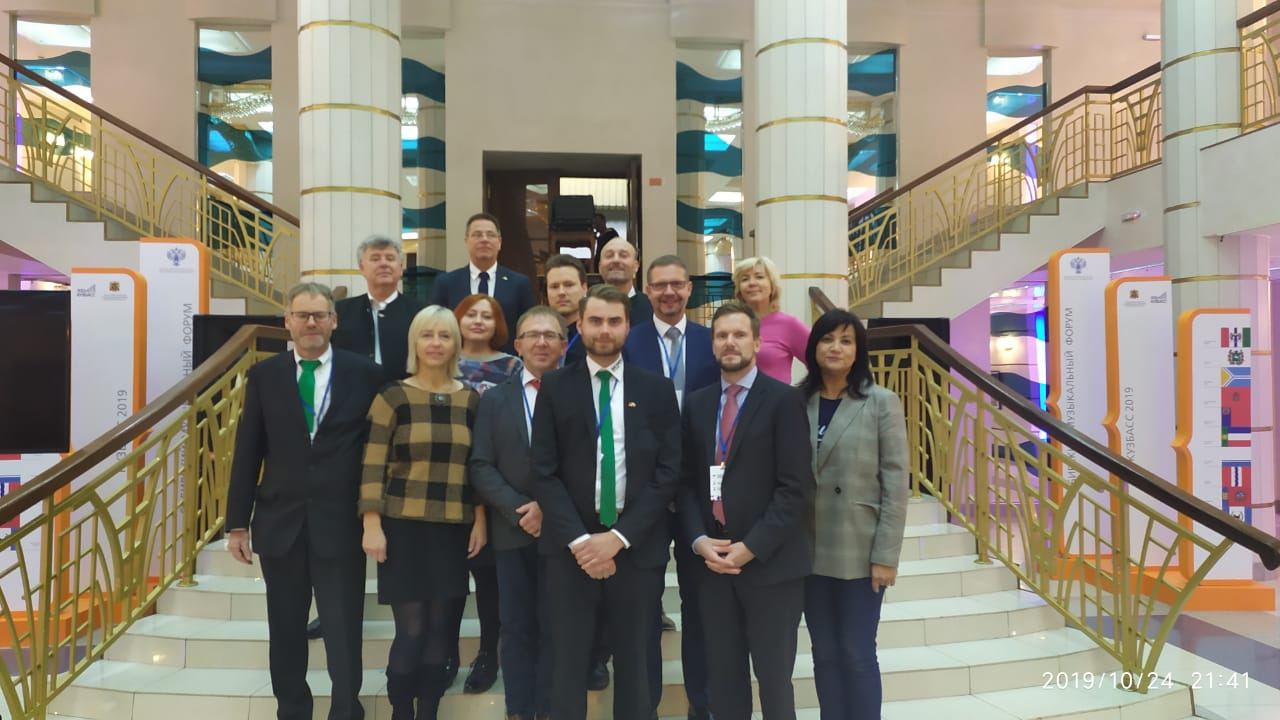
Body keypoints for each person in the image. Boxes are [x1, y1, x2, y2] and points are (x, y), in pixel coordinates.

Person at [225, 282, 385, 720]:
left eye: (319, 315)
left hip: (341, 521)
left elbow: (376, 450)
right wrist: (237, 522)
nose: (311, 322)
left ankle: (346, 710)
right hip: (280, 522)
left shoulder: (366, 374)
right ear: (288, 322)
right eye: (302, 315)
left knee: (343, 628)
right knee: (286, 629)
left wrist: (375, 515)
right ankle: (292, 710)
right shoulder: (265, 375)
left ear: (334, 321)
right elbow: (248, 450)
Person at [532, 284, 682, 720]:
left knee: (636, 662)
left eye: (614, 321)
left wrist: (618, 538)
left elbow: (669, 472)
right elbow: (543, 471)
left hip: (636, 546)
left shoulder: (657, 389)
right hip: (570, 548)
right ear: (579, 325)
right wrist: (582, 541)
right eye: (595, 321)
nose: (604, 329)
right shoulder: (555, 387)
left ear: (628, 326)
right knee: (567, 661)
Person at [679, 301, 815, 720]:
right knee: (724, 683)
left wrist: (750, 548)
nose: (730, 342)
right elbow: (685, 484)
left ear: (757, 343)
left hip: (770, 566)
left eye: (739, 334)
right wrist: (699, 541)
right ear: (712, 345)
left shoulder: (784, 401)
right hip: (713, 565)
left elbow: (795, 489)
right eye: (721, 335)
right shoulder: (697, 404)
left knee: (774, 683)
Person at [359, 306, 486, 720]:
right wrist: (372, 523)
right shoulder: (392, 396)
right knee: (411, 630)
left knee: (440, 631)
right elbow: (372, 464)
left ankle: (428, 711)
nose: (435, 343)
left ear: (456, 344)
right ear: (414, 342)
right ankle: (401, 711)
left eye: (444, 336)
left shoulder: (469, 399)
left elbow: (477, 466)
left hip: (453, 528)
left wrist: (480, 518)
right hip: (403, 528)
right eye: (427, 335)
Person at [622, 254, 719, 720]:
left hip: (700, 489)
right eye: (659, 285)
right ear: (647, 291)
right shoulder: (629, 341)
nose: (669, 293)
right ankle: (647, 707)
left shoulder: (710, 341)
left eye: (677, 284)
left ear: (689, 289)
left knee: (700, 607)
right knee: (643, 610)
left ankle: (702, 704)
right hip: (644, 492)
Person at [799, 309, 908, 720]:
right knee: (824, 653)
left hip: (860, 549)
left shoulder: (880, 402)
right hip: (808, 549)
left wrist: (886, 555)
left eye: (846, 340)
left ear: (858, 350)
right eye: (827, 339)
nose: (836, 348)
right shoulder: (796, 400)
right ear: (814, 347)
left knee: (857, 652)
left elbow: (896, 483)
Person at [469, 305, 568, 720]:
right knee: (515, 625)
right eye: (533, 335)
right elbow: (480, 465)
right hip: (511, 531)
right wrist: (518, 508)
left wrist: (548, 508)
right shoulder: (494, 400)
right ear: (518, 345)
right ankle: (520, 709)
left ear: (563, 345)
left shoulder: (579, 393)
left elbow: (591, 461)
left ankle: (549, 708)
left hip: (565, 531)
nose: (541, 342)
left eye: (550, 335)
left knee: (557, 626)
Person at [450, 293, 521, 693]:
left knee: (490, 578)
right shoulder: (441, 359)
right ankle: (445, 654)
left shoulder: (512, 366)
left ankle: (488, 653)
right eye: (471, 314)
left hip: (496, 484)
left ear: (498, 324)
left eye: (487, 316)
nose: (478, 321)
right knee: (448, 579)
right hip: (447, 484)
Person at [430, 212, 538, 352]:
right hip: (457, 360)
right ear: (466, 241)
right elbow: (437, 325)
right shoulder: (446, 283)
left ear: (499, 242)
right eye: (477, 235)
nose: (484, 240)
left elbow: (528, 326)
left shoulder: (519, 283)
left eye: (490, 235)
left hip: (506, 360)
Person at [334, 235, 424, 384]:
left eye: (390, 258)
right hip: (352, 391)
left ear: (401, 267)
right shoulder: (340, 311)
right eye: (375, 259)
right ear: (362, 268)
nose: (384, 264)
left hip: (404, 392)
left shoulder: (421, 313)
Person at [733, 256, 809, 383]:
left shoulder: (789, 325)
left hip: (777, 396)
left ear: (772, 285)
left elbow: (820, 362)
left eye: (759, 277)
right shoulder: (731, 325)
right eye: (745, 279)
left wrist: (802, 392)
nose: (752, 283)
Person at [545, 253, 589, 365]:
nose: (561, 292)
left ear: (584, 288)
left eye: (569, 285)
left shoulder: (596, 334)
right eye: (554, 286)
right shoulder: (538, 335)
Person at [599, 237, 653, 326]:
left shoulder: (653, 307)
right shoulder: (587, 307)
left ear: (636, 266)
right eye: (609, 256)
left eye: (623, 255)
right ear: (600, 267)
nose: (616, 260)